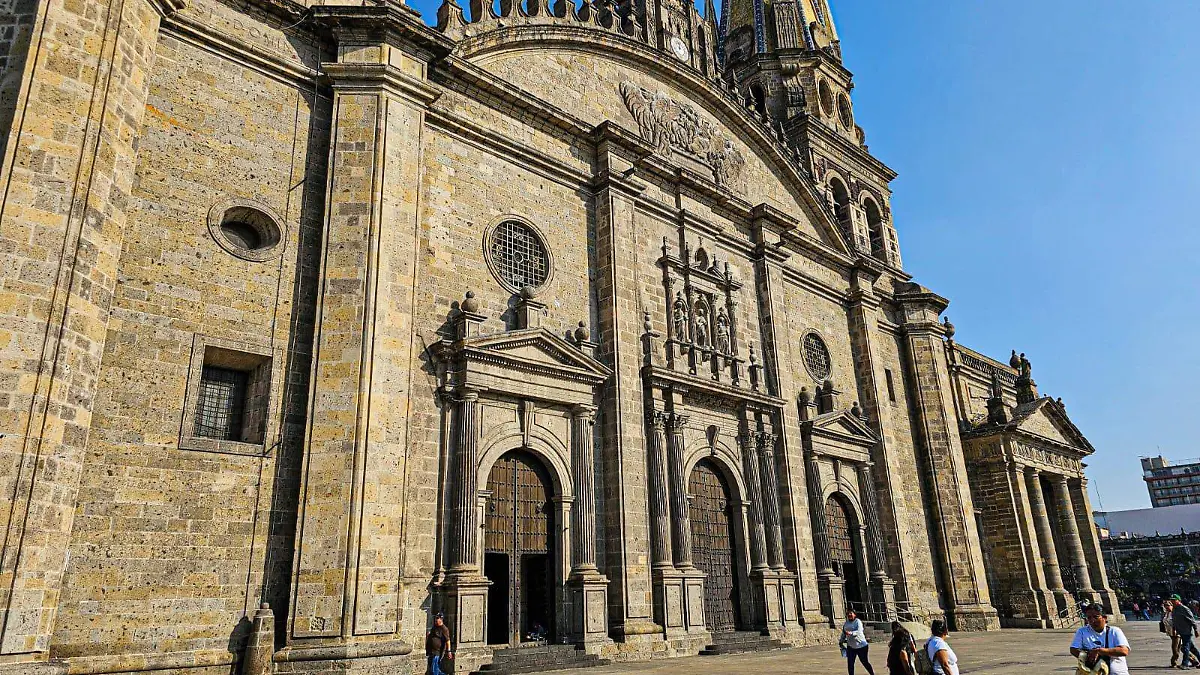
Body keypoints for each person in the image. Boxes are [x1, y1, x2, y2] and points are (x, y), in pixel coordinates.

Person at [1070, 603, 1130, 675]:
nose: (1092, 620)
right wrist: (1088, 656)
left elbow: (1124, 651)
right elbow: (1073, 649)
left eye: (1096, 617)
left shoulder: (1114, 631)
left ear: (1104, 618)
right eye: (1089, 618)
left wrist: (1100, 651)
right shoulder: (1082, 631)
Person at [840, 610, 876, 675]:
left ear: (855, 615)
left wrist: (850, 633)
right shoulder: (846, 623)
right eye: (848, 614)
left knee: (864, 662)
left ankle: (872, 673)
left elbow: (859, 631)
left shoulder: (858, 621)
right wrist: (841, 641)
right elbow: (844, 633)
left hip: (861, 646)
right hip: (851, 647)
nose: (849, 615)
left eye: (851, 613)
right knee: (850, 663)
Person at [1173, 594, 1200, 669]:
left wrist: (1196, 630)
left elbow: (1192, 620)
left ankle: (1185, 664)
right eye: (1171, 600)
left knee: (1185, 648)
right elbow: (1175, 620)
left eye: (1174, 600)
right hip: (1181, 631)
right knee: (1192, 648)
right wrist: (1174, 628)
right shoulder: (1175, 609)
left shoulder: (1184, 609)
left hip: (1186, 631)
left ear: (1179, 600)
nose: (1172, 601)